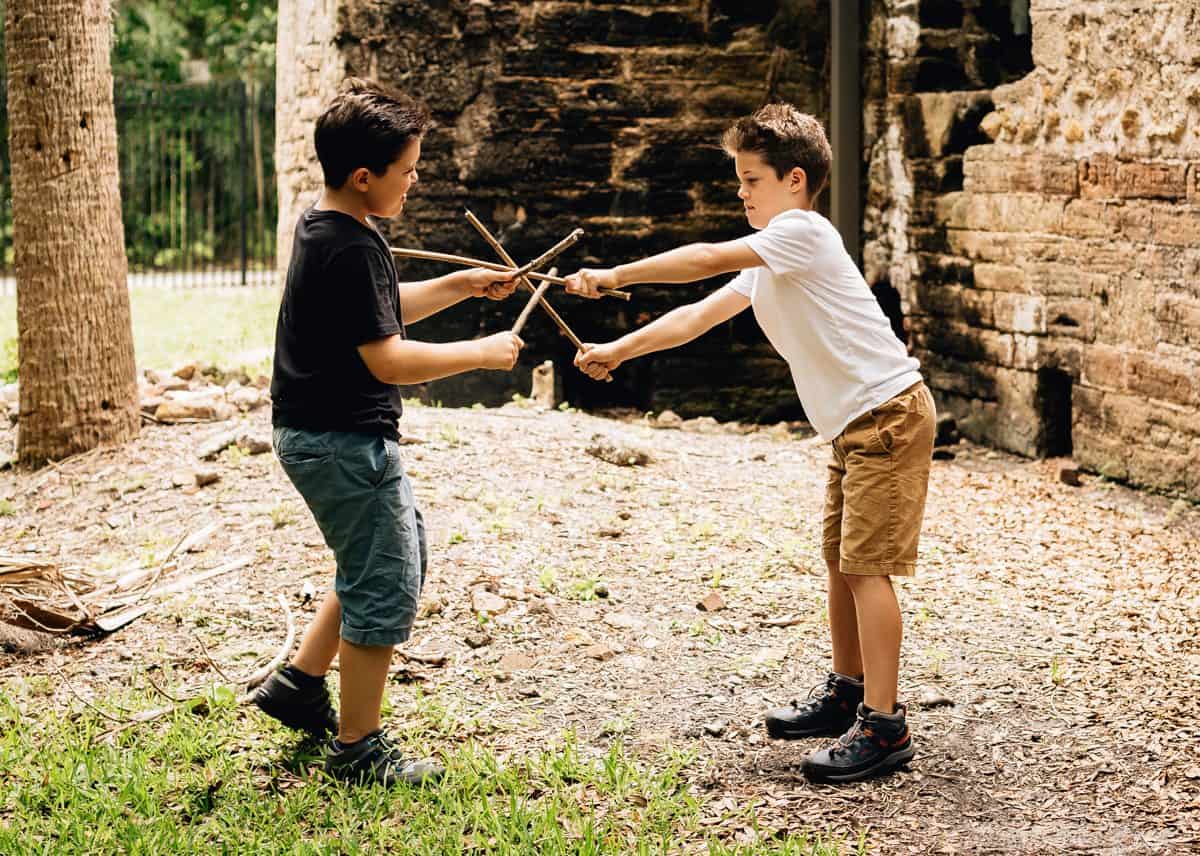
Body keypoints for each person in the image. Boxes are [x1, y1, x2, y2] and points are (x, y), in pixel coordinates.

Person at [566, 103, 935, 783]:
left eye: (751, 179)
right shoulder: (773, 259)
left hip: (887, 417)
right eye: (738, 180)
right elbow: (695, 316)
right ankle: (848, 691)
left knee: (865, 567)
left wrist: (617, 275)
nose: (741, 192)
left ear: (795, 180)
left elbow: (704, 259)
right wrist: (618, 349)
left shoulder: (802, 232)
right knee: (841, 563)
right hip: (855, 426)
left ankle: (886, 727)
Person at [253, 78, 524, 786]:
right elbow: (389, 358)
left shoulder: (329, 227)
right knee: (383, 578)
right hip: (342, 440)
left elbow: (374, 309)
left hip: (318, 435)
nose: (414, 180)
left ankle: (299, 684)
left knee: (381, 556)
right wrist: (481, 353)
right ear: (364, 176)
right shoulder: (352, 246)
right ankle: (358, 748)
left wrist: (461, 285)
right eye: (407, 170)